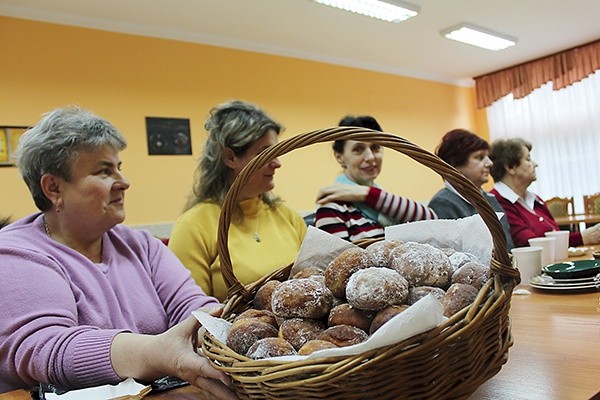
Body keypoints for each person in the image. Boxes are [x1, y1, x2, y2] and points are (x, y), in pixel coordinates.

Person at [0, 106, 237, 399]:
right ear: (53, 188)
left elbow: (192, 308)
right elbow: (47, 349)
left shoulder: (141, 245)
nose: (123, 182)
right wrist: (160, 353)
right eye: (103, 171)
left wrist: (212, 332)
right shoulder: (15, 252)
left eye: (119, 167)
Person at [168, 100, 307, 302]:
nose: (277, 163)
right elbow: (190, 311)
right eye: (265, 152)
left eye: (277, 153)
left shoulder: (288, 217)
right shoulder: (194, 226)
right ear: (230, 157)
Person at [314, 115, 437, 242]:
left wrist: (366, 194)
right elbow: (339, 261)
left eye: (375, 147)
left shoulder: (381, 200)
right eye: (358, 149)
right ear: (339, 157)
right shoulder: (332, 208)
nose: (370, 157)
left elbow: (433, 222)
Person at [489, 137, 600, 248]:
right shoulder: (496, 201)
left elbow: (555, 233)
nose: (535, 164)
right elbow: (529, 243)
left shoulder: (535, 199)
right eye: (528, 159)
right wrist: (583, 237)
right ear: (510, 167)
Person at [428, 129, 515, 250]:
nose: (490, 163)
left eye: (488, 157)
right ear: (455, 165)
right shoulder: (443, 204)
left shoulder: (490, 198)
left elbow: (508, 246)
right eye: (479, 158)